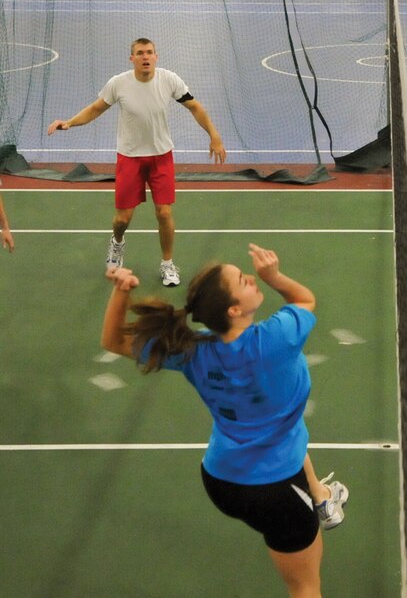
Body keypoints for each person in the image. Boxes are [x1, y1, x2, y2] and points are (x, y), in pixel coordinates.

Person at [101, 242, 348, 598]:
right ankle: (313, 500)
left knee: (286, 428)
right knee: (306, 587)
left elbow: (112, 341)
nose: (250, 278)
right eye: (243, 281)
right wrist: (273, 276)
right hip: (274, 491)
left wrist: (121, 292)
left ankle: (322, 497)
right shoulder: (277, 338)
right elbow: (305, 300)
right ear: (234, 309)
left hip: (221, 482)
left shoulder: (191, 352)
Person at [47, 38, 226, 286]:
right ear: (132, 58)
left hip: (161, 157)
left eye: (150, 53)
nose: (145, 57)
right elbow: (96, 109)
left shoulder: (169, 80)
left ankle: (167, 264)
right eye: (140, 53)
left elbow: (194, 107)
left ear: (156, 56)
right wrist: (69, 122)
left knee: (164, 213)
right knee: (122, 219)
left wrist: (214, 135)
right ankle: (117, 244)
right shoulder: (118, 83)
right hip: (130, 157)